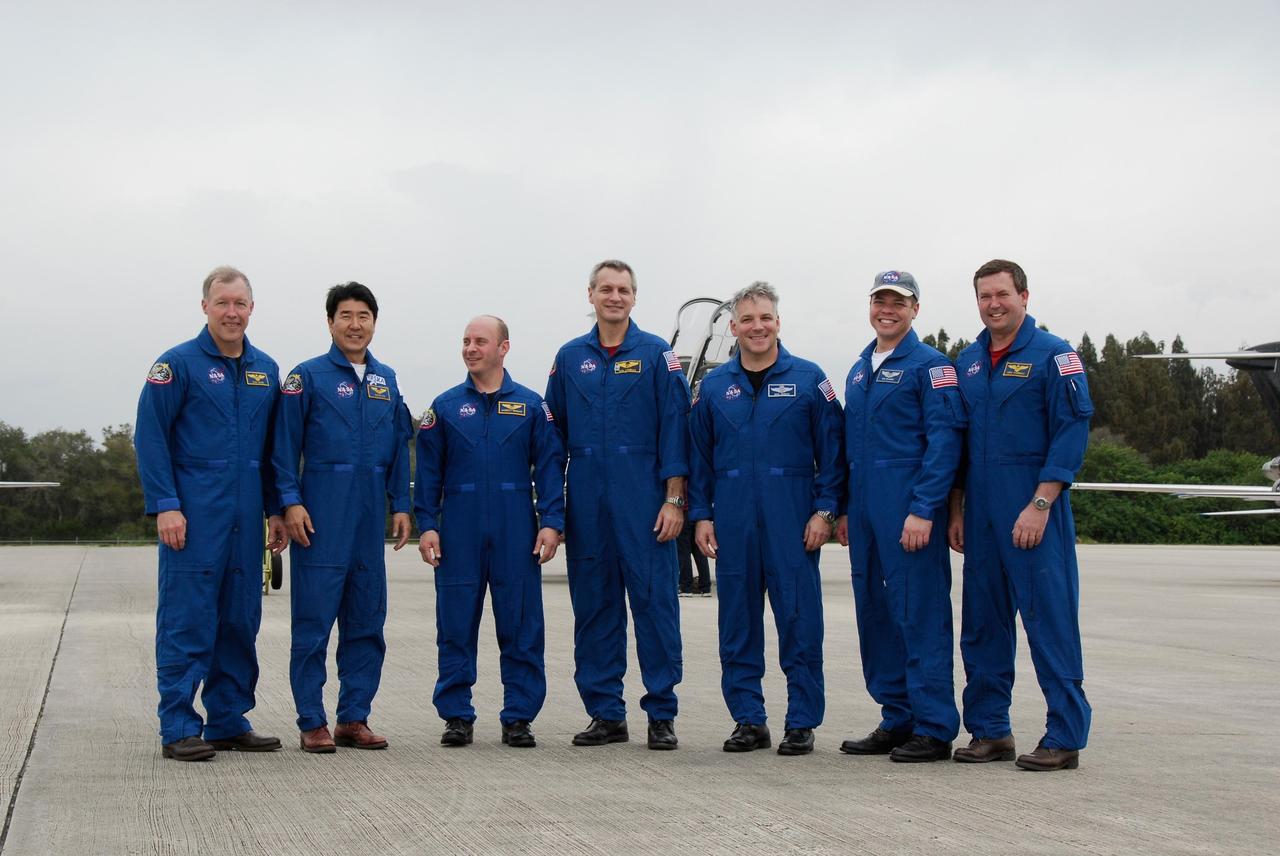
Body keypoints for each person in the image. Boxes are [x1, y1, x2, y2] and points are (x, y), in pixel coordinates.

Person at [135, 265, 287, 761]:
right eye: (222, 303)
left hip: (247, 518)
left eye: (240, 304)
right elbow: (151, 437)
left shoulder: (266, 369)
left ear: (251, 309)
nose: (231, 312)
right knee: (187, 619)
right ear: (205, 307)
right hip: (194, 516)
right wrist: (166, 505)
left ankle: (227, 720)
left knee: (240, 619)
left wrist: (277, 509)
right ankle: (178, 726)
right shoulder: (176, 365)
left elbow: (273, 451)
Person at [948, 259, 1094, 771]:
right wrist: (957, 508)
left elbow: (1072, 430)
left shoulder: (1054, 356)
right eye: (985, 296)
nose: (994, 304)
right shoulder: (967, 362)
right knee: (983, 625)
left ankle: (1064, 735)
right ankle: (991, 731)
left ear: (1024, 297)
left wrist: (1041, 503)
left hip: (1034, 508)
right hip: (981, 514)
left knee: (1049, 620)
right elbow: (960, 445)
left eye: (1002, 294)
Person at [688, 282, 844, 756]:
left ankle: (801, 721)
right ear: (733, 327)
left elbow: (834, 455)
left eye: (766, 318)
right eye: (748, 319)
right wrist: (701, 515)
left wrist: (825, 511)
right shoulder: (712, 388)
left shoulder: (811, 380)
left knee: (799, 621)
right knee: (737, 623)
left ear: (779, 322)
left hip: (792, 522)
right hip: (733, 521)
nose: (758, 327)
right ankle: (748, 720)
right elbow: (698, 459)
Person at [544, 259, 690, 750]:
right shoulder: (569, 359)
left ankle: (661, 712)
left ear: (634, 297)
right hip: (587, 501)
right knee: (594, 607)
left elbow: (676, 429)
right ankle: (606, 712)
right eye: (605, 289)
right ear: (590, 295)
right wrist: (553, 511)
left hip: (644, 499)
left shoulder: (656, 355)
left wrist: (674, 499)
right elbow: (552, 440)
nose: (614, 297)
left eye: (623, 289)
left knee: (655, 604)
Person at [273, 282, 413, 754]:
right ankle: (312, 720)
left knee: (367, 622)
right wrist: (289, 501)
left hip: (369, 516)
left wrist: (402, 505)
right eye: (346, 316)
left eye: (364, 316)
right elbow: (283, 447)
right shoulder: (305, 378)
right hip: (320, 516)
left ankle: (354, 717)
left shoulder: (386, 380)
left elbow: (399, 446)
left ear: (375, 322)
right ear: (330, 322)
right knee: (313, 624)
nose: (356, 325)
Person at [415, 315, 566, 749]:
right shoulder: (442, 409)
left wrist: (552, 522)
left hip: (516, 526)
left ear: (504, 348)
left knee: (521, 625)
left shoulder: (532, 407)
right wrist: (428, 524)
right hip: (459, 529)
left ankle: (519, 716)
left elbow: (551, 469)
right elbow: (428, 474)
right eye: (465, 341)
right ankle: (457, 715)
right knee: (456, 625)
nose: (470, 348)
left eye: (480, 341)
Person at [835, 271, 966, 763]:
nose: (887, 309)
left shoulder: (930, 366)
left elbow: (945, 443)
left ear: (915, 310)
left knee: (921, 613)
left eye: (898, 302)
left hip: (908, 508)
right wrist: (845, 508)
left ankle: (933, 725)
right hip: (865, 510)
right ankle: (897, 716)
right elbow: (850, 446)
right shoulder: (857, 368)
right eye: (880, 301)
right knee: (875, 613)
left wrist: (923, 509)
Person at [677, 519, 712, 596]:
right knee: (700, 551)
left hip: (684, 514)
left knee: (684, 552)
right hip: (697, 517)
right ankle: (705, 587)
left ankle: (686, 587)